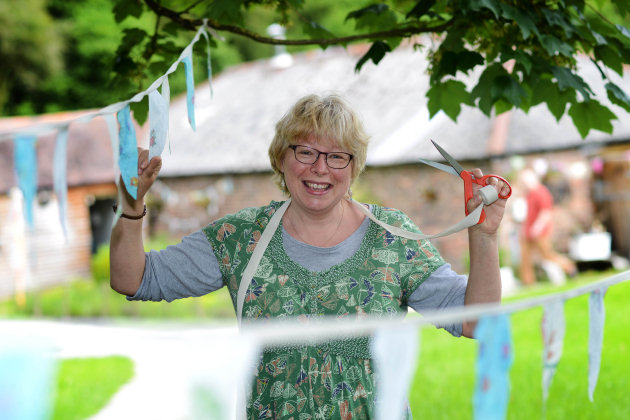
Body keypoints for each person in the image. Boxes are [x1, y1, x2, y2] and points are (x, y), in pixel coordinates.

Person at [110, 94, 510, 419]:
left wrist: (485, 237)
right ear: (281, 159)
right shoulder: (241, 238)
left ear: (354, 169)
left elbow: (476, 323)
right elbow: (134, 279)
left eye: (338, 156)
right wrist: (132, 207)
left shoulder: (392, 237)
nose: (320, 168)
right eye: (305, 152)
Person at [518, 168, 577, 286]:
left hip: (540, 231)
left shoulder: (541, 192)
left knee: (547, 254)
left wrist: (537, 227)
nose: (524, 182)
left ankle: (570, 268)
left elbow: (546, 212)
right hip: (528, 231)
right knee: (525, 258)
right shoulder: (528, 195)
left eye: (526, 179)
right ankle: (528, 283)